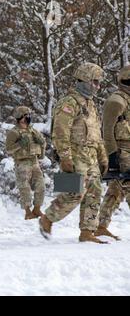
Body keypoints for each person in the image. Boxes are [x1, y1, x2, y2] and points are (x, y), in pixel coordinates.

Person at [39, 62, 109, 243]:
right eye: (94, 82)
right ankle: (48, 218)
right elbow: (60, 131)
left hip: (91, 155)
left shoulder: (90, 104)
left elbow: (96, 132)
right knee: (74, 191)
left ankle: (87, 231)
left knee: (95, 191)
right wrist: (65, 156)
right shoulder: (69, 102)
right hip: (75, 154)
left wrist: (102, 156)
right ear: (84, 80)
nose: (97, 86)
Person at [96, 65, 130, 241]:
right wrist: (112, 156)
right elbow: (107, 130)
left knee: (116, 190)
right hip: (122, 152)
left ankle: (101, 226)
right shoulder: (116, 101)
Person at [5, 106, 46, 220]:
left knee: (41, 186)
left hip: (34, 162)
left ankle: (37, 209)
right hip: (22, 163)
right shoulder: (14, 132)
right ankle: (28, 212)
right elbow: (8, 149)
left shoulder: (32, 130)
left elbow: (42, 143)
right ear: (20, 117)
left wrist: (42, 143)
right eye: (25, 115)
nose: (28, 118)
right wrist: (19, 145)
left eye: (28, 115)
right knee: (24, 188)